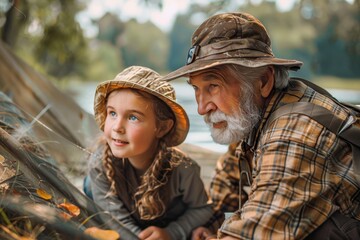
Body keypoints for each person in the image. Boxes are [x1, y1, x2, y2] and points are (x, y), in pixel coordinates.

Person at [162, 12, 360, 239]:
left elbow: (252, 235)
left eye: (213, 86)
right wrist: (204, 223)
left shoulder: (296, 132)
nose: (201, 108)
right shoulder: (250, 116)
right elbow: (227, 182)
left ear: (264, 81)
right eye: (196, 88)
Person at [86, 66, 214, 240]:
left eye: (133, 117)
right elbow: (114, 219)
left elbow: (203, 209)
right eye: (112, 113)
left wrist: (171, 233)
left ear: (162, 128)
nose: (117, 127)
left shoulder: (184, 169)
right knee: (88, 186)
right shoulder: (100, 162)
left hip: (167, 222)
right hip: (129, 226)